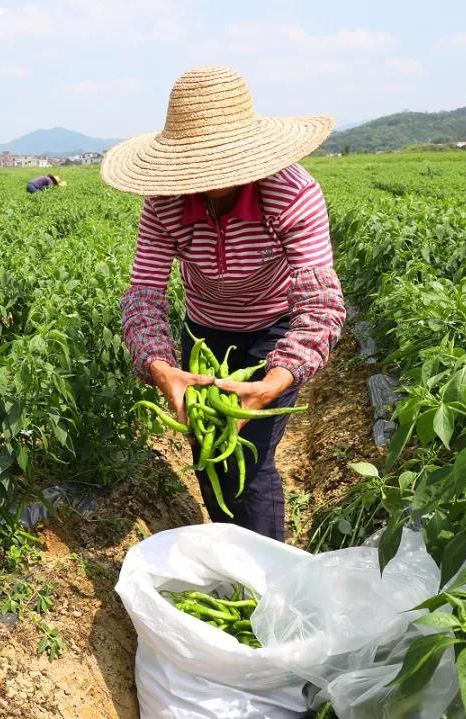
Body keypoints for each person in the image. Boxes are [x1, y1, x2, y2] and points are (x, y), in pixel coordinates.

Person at [101, 66, 346, 541]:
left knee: (250, 461)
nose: (211, 178)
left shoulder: (292, 194)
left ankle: (264, 581)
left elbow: (320, 303)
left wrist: (279, 377)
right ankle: (227, 548)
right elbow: (144, 294)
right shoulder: (164, 203)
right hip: (205, 331)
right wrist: (158, 364)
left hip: (273, 328)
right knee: (206, 448)